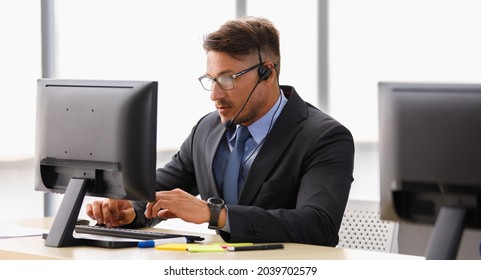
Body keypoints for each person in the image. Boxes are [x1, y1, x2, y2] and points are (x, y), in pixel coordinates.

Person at [86, 16, 354, 246]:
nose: (214, 94)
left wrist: (215, 214)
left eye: (227, 79)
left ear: (267, 73)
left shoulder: (324, 137)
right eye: (211, 80)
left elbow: (319, 225)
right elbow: (157, 191)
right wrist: (129, 211)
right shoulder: (207, 129)